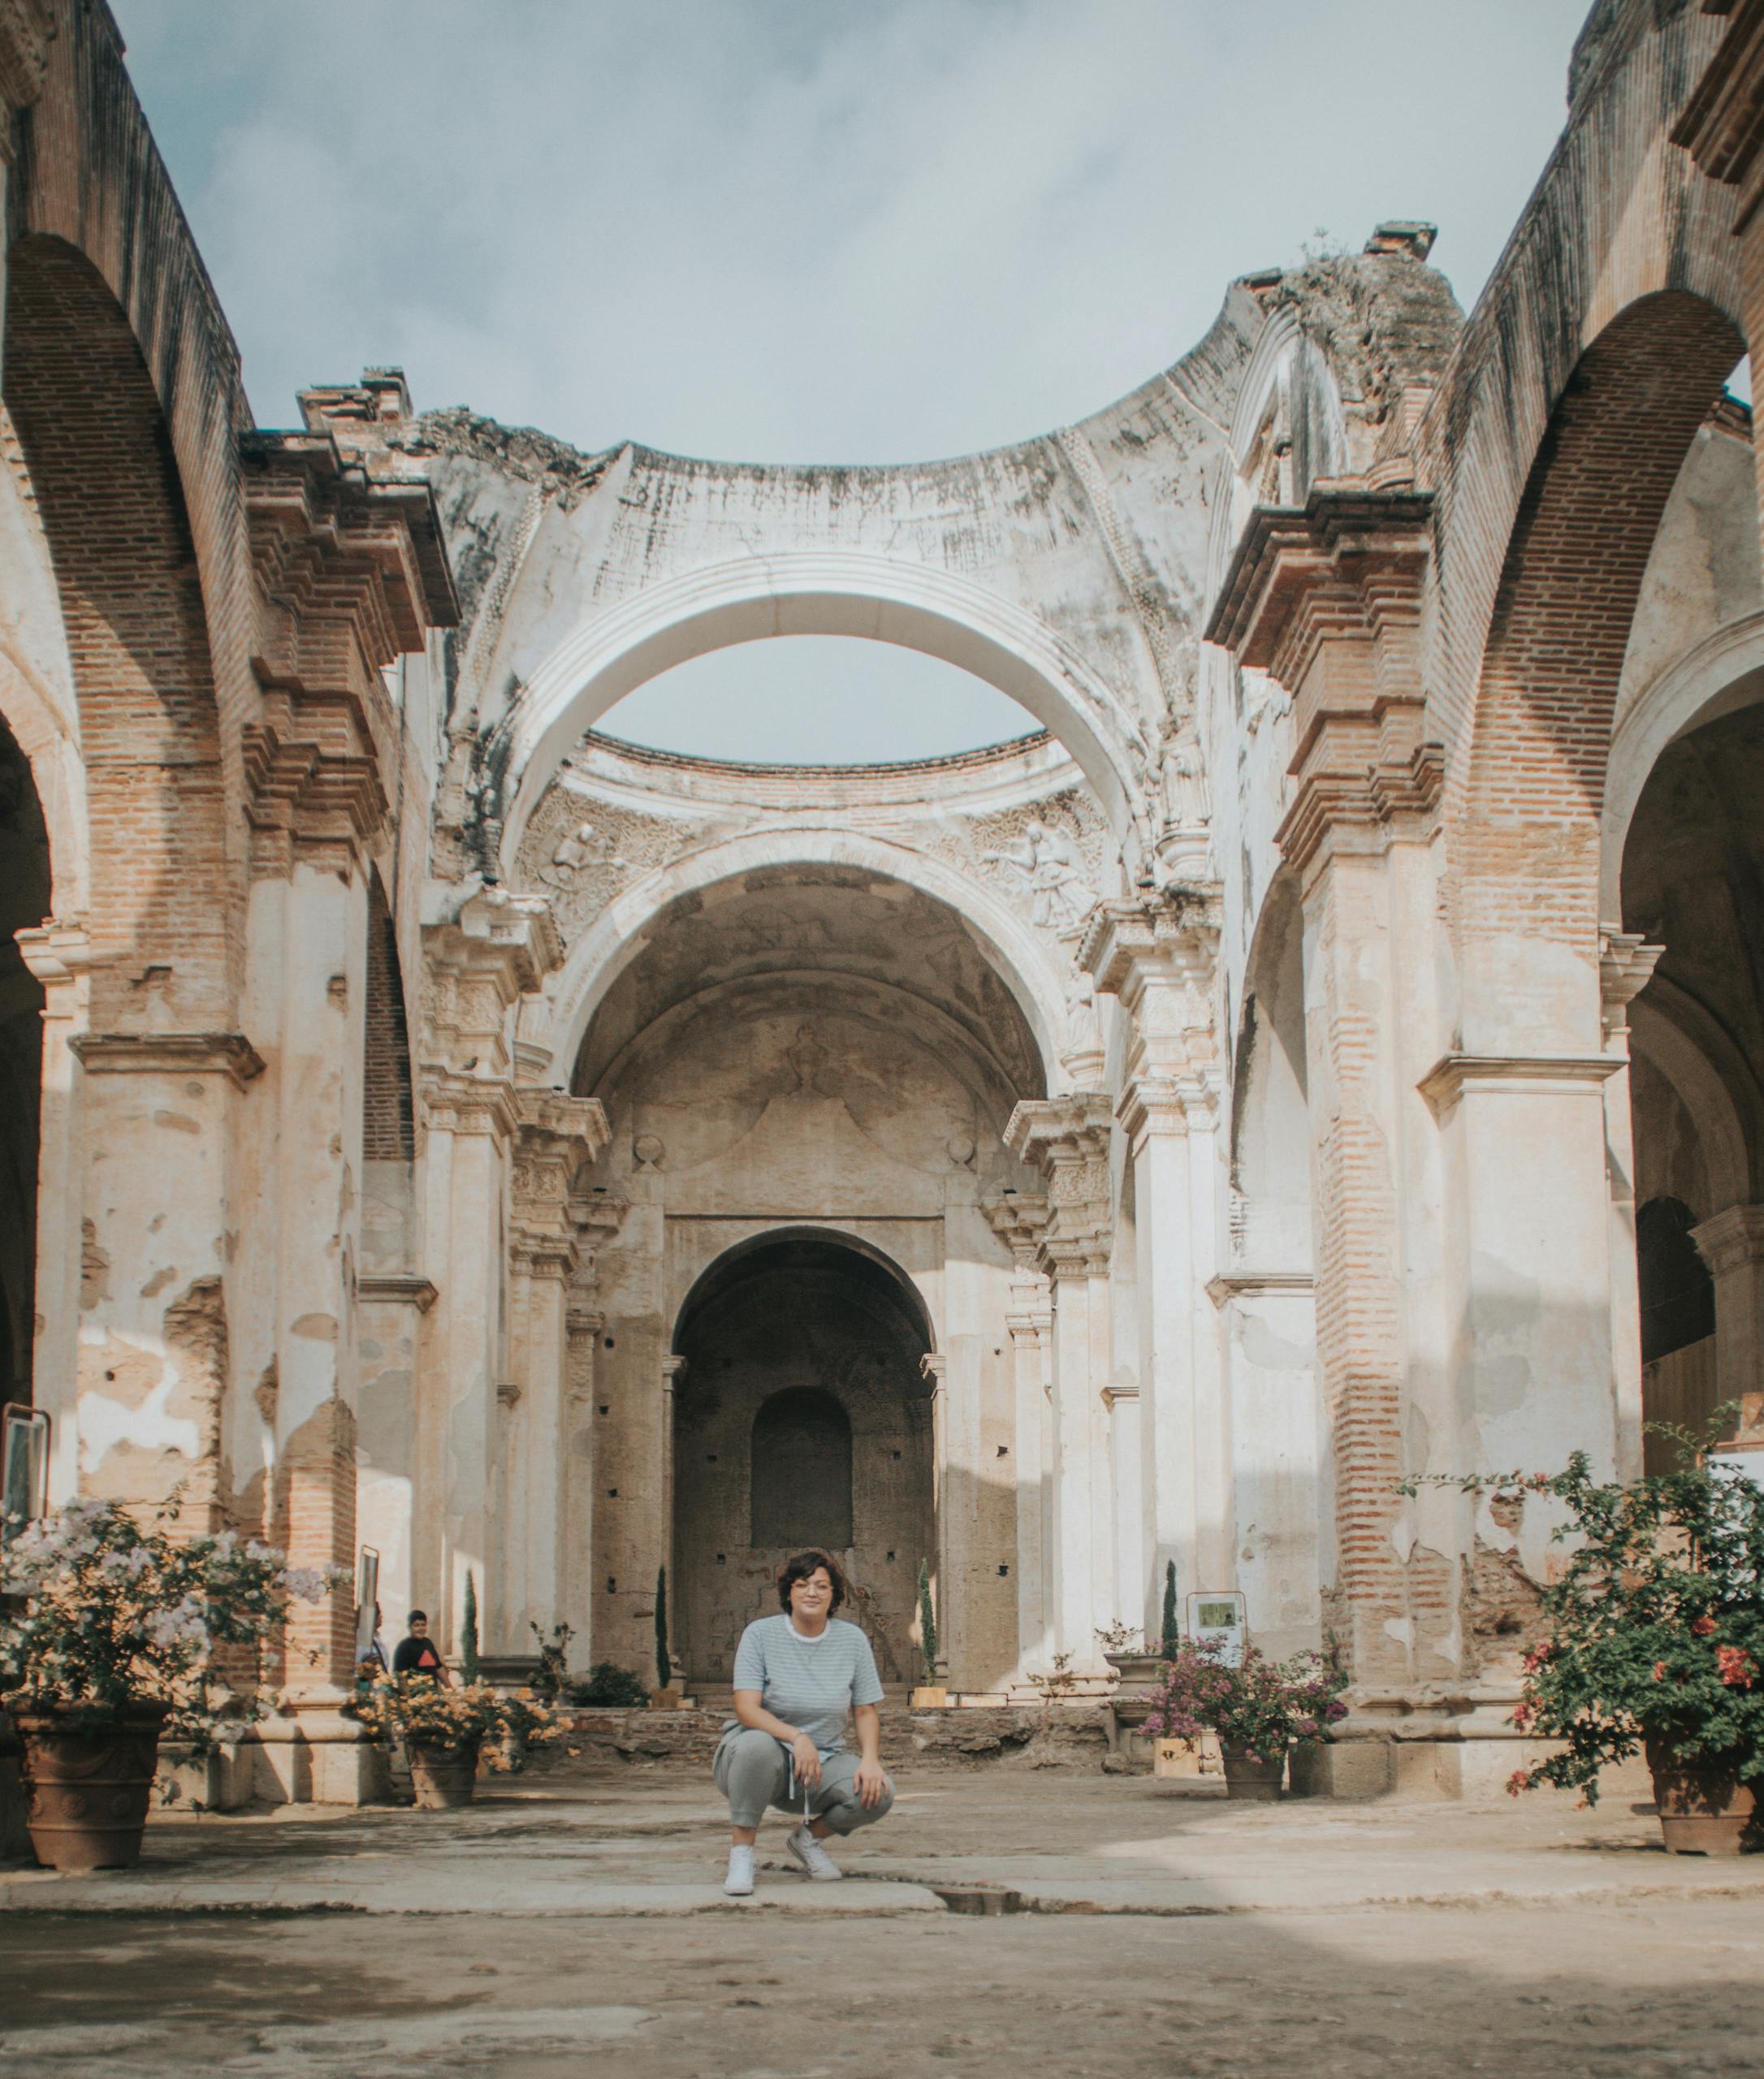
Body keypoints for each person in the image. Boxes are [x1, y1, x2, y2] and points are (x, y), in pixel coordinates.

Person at [712, 1549, 893, 1896]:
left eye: (822, 1586)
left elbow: (866, 1710)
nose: (812, 1592)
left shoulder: (853, 1640)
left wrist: (871, 1761)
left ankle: (808, 1840)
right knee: (757, 1744)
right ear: (789, 1593)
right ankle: (742, 1853)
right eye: (802, 1584)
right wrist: (797, 1737)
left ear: (834, 1595)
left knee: (880, 1792)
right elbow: (746, 1709)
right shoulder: (760, 1635)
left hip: (822, 1762)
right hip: (754, 1762)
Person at [391, 1609, 447, 1680]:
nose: (420, 1628)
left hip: (433, 1691)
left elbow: (438, 1668)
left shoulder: (428, 1643)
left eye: (423, 1625)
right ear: (410, 1627)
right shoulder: (404, 1647)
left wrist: (450, 1689)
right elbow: (399, 1676)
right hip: (415, 1690)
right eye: (416, 1625)